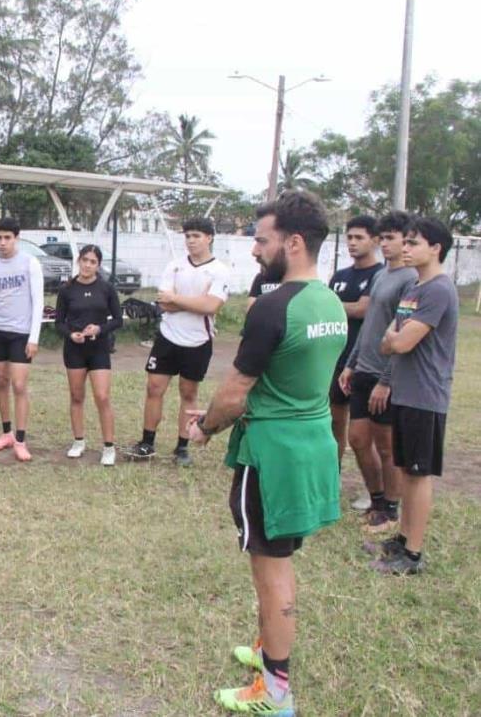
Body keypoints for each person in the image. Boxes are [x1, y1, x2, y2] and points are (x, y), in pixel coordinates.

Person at [188, 191, 346, 715]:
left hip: (272, 457)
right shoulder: (330, 303)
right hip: (311, 447)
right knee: (279, 560)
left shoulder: (275, 305)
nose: (254, 249)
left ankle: (276, 691)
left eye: (262, 239)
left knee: (271, 568)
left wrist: (204, 428)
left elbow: (234, 393)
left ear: (293, 243)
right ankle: (267, 651)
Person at [369, 217, 458, 575]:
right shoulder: (414, 288)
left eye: (413, 243)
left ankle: (413, 555)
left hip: (425, 395)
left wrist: (395, 340)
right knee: (406, 470)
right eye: (404, 242)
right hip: (406, 393)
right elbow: (387, 340)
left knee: (419, 475)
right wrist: (394, 340)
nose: (405, 248)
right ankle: (402, 539)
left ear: (435, 248)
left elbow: (400, 340)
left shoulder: (438, 289)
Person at [338, 212, 417, 530]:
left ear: (405, 241)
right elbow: (369, 325)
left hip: (387, 375)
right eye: (381, 238)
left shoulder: (410, 280)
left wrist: (386, 380)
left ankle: (391, 509)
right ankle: (377, 497)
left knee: (386, 445)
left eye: (391, 238)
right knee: (357, 439)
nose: (384, 244)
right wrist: (350, 363)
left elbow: (402, 333)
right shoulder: (381, 275)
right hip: (363, 369)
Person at [128, 218, 230, 466]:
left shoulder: (220, 270)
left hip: (198, 341)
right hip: (167, 338)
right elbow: (164, 303)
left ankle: (182, 447)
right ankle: (147, 443)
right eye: (187, 236)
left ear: (209, 238)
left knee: (189, 392)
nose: (191, 240)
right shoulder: (174, 266)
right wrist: (193, 301)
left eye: (196, 235)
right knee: (154, 389)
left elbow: (211, 306)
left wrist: (179, 300)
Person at [0, 218, 44, 462]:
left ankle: (21, 439)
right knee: (2, 382)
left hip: (21, 334)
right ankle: (6, 433)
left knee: (19, 385)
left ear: (17, 237)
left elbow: (38, 303)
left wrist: (33, 338)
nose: (3, 242)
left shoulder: (30, 263)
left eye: (7, 237)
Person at [54, 244, 122, 466]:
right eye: (85, 260)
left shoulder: (106, 289)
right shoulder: (67, 290)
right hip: (74, 349)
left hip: (99, 349)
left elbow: (118, 320)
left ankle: (109, 446)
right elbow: (58, 323)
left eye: (93, 262)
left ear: (98, 265)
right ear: (78, 261)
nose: (88, 265)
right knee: (76, 396)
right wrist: (71, 334)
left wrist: (100, 329)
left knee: (102, 396)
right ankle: (78, 441)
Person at [327, 216, 383, 467]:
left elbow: (363, 309)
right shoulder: (340, 275)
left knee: (365, 434)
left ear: (375, 240)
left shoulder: (381, 275)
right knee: (335, 420)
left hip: (366, 361)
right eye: (349, 237)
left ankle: (374, 489)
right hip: (336, 358)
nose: (352, 242)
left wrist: (330, 305)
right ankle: (333, 474)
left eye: (359, 237)